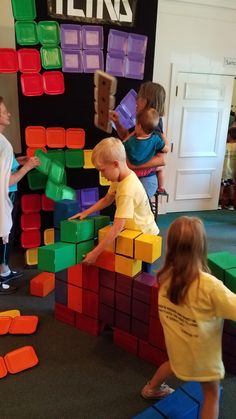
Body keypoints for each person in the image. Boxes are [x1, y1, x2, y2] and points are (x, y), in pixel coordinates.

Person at [141, 216, 236, 419]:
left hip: (178, 350)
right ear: (201, 247)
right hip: (203, 361)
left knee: (173, 365)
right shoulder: (210, 286)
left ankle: (151, 388)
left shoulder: (164, 276)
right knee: (211, 394)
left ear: (170, 246)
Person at [69, 137, 159, 265]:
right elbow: (107, 199)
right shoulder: (120, 178)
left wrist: (95, 253)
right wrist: (86, 212)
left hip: (144, 236)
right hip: (132, 232)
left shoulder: (127, 190)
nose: (102, 175)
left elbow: (117, 227)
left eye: (103, 170)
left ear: (115, 164)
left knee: (139, 275)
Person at [0, 96, 40, 294]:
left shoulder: (2, 143)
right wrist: (28, 167)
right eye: (4, 111)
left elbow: (3, 167)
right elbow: (7, 180)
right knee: (5, 235)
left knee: (5, 235)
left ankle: (5, 270)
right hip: (6, 196)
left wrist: (18, 161)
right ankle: (2, 276)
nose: (8, 114)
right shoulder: (4, 145)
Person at [110, 81, 168, 198]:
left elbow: (161, 160)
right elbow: (127, 138)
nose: (136, 100)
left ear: (148, 101)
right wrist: (117, 122)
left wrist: (131, 165)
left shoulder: (153, 126)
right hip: (135, 177)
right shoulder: (141, 119)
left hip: (144, 179)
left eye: (140, 97)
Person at [123, 107, 169, 198]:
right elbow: (166, 149)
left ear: (139, 126)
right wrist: (164, 137)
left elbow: (122, 144)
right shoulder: (156, 139)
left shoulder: (130, 142)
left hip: (133, 173)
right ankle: (161, 187)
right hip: (147, 172)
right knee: (161, 168)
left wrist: (131, 135)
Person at [219, 126, 236, 210]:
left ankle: (218, 203)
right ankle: (231, 204)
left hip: (223, 171)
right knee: (231, 188)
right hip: (232, 172)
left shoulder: (224, 146)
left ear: (229, 135)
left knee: (221, 187)